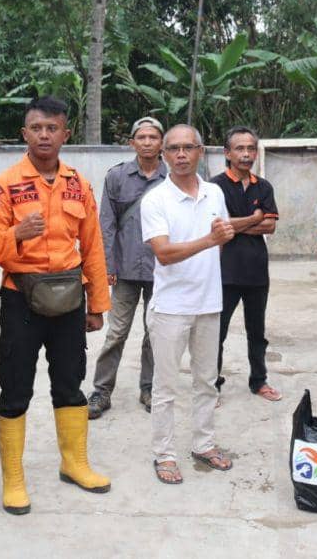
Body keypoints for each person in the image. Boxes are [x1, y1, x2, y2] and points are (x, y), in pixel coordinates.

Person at [0, 96, 112, 515]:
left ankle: (74, 463)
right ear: (24, 133)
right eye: (36, 128)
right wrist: (16, 233)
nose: (44, 135)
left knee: (70, 382)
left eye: (52, 128)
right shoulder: (3, 185)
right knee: (16, 385)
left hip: (70, 298)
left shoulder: (79, 184)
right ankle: (13, 478)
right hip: (22, 297)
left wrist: (97, 303)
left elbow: (92, 247)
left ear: (65, 133)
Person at [140, 124, 235, 485]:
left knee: (207, 381)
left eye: (188, 148)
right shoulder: (155, 200)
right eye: (173, 149)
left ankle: (204, 444)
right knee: (165, 388)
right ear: (163, 155)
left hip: (209, 303)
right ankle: (164, 454)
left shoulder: (214, 193)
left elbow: (222, 238)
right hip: (170, 308)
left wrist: (213, 244)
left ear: (200, 152)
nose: (181, 155)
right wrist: (209, 241)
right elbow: (163, 254)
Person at [87, 116, 165, 419]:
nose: (147, 142)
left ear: (161, 142)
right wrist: (107, 264)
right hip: (124, 269)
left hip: (162, 269)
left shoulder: (171, 177)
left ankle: (149, 388)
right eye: (141, 137)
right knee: (116, 332)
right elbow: (105, 224)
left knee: (154, 333)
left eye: (153, 137)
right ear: (132, 142)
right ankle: (101, 391)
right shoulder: (117, 177)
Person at [210, 126, 281, 403]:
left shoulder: (263, 186)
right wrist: (253, 218)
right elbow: (218, 225)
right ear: (227, 153)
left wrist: (235, 224)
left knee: (257, 332)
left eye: (250, 148)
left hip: (256, 271)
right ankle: (212, 384)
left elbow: (271, 226)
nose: (246, 154)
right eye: (239, 148)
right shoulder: (214, 186)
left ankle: (259, 381)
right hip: (223, 272)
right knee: (217, 332)